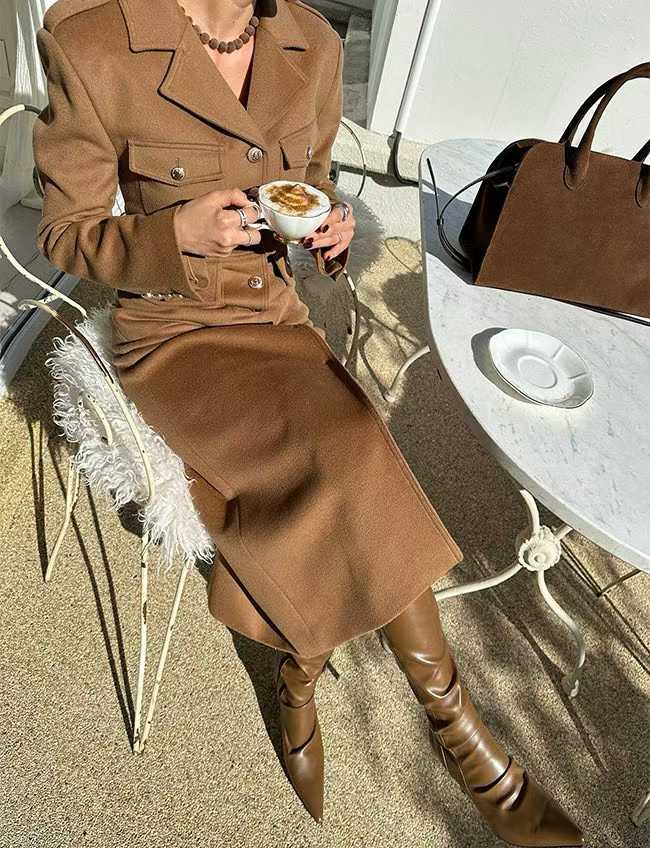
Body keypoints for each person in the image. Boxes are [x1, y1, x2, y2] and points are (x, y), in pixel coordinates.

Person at [32, 1, 583, 844]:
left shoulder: (313, 41)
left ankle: (302, 671)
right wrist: (173, 231)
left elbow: (311, 180)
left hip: (275, 315)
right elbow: (66, 234)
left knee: (350, 449)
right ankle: (466, 741)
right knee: (354, 446)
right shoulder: (92, 41)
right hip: (175, 331)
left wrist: (330, 226)